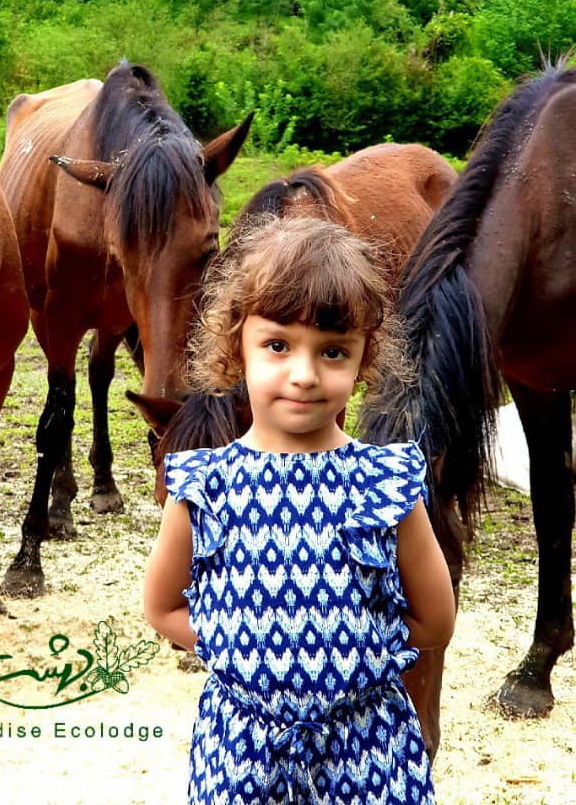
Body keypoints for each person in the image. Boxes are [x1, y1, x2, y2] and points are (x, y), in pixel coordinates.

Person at [143, 216, 455, 804]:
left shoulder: (385, 482)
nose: (304, 375)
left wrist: (358, 662)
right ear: (236, 346)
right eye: (278, 345)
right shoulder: (204, 486)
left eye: (333, 351)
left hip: (369, 749)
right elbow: (161, 606)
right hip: (242, 751)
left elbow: (436, 619)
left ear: (363, 360)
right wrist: (238, 655)